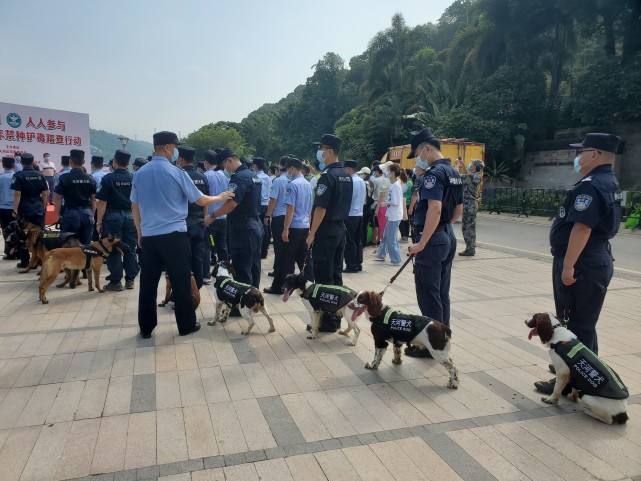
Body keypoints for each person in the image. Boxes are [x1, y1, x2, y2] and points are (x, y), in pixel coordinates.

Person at [535, 133, 623, 395]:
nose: (577, 157)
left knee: (575, 326)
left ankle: (574, 382)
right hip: (593, 258)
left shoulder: (592, 185)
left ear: (594, 154)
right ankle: (580, 371)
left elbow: (582, 228)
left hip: (582, 262)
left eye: (581, 152)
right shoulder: (608, 181)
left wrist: (568, 266)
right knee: (583, 323)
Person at [131, 131, 234, 338]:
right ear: (167, 147)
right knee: (180, 281)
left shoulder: (140, 173)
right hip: (174, 236)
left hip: (149, 236)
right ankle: (186, 325)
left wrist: (140, 232)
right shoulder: (176, 172)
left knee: (148, 284)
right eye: (175, 147)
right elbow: (200, 200)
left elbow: (135, 205)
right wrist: (220, 197)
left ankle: (146, 328)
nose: (176, 151)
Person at [406, 128, 463, 357]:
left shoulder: (433, 174)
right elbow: (458, 210)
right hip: (447, 234)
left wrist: (422, 243)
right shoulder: (453, 171)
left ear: (427, 148)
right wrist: (444, 228)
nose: (417, 159)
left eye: (417, 154)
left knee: (429, 295)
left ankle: (432, 345)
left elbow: (435, 209)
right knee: (441, 293)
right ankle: (442, 338)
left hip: (432, 239)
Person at [306, 134, 353, 332]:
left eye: (322, 148)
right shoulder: (346, 175)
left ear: (330, 151)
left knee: (324, 277)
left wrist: (311, 234)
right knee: (336, 275)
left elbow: (320, 209)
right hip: (340, 229)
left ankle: (326, 321)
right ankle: (336, 318)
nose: (320, 152)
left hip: (326, 231)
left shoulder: (327, 176)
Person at [205, 148, 262, 288]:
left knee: (241, 269)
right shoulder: (253, 175)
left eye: (224, 166)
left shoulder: (238, 178)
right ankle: (254, 295)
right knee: (254, 266)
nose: (225, 170)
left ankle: (243, 299)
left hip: (242, 229)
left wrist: (212, 216)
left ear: (229, 160)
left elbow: (231, 204)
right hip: (255, 225)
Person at [96, 150, 139, 291]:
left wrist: (99, 222)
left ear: (114, 162)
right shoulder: (134, 178)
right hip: (131, 216)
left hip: (113, 217)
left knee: (113, 248)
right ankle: (130, 279)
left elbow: (102, 203)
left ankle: (115, 282)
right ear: (128, 163)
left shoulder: (108, 179)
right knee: (130, 248)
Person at [275, 156, 313, 286]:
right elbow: (309, 208)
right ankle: (309, 284)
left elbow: (290, 208)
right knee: (304, 259)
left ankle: (281, 285)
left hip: (294, 226)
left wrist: (285, 229)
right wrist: (309, 226)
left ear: (292, 168)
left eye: (287, 170)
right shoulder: (308, 184)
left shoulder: (292, 185)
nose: (287, 172)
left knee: (286, 259)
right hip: (305, 226)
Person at [177, 145, 209, 289]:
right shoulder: (202, 177)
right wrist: (205, 219)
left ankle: (184, 288)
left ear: (180, 159)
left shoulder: (179, 176)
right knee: (197, 256)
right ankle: (197, 286)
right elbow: (205, 201)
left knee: (182, 258)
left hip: (182, 223)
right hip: (199, 222)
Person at [11, 153, 50, 268]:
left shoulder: (19, 175)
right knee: (40, 234)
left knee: (23, 234)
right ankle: (41, 260)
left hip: (24, 207)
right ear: (33, 162)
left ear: (21, 162)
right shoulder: (40, 175)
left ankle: (25, 261)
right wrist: (43, 206)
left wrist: (15, 209)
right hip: (38, 207)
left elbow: (17, 193)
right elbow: (45, 193)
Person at [53, 150, 96, 245]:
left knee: (69, 244)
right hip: (87, 213)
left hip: (70, 213)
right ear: (83, 162)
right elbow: (93, 199)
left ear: (70, 161)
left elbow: (58, 198)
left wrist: (58, 215)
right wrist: (92, 215)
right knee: (86, 245)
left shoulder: (64, 178)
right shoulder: (90, 179)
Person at [202, 149, 229, 285]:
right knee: (222, 245)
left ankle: (206, 275)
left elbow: (204, 199)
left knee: (207, 246)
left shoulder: (205, 176)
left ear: (206, 162)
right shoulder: (224, 176)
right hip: (223, 216)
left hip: (210, 217)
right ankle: (225, 273)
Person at [263, 160, 290, 292]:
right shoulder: (296, 180)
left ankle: (279, 279)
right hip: (292, 218)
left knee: (279, 249)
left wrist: (267, 215)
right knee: (288, 249)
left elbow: (273, 200)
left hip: (279, 217)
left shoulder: (278, 181)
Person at [374, 163, 406, 266]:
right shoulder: (394, 184)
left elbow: (396, 202)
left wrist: (386, 203)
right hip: (392, 214)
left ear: (392, 173)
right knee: (386, 235)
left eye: (388, 171)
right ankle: (381, 254)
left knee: (391, 239)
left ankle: (396, 260)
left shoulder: (396, 186)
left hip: (394, 215)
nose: (387, 173)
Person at [456, 158, 484, 256]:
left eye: (472, 164)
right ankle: (471, 247)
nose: (470, 165)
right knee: (470, 226)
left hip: (469, 205)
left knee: (467, 227)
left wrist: (456, 165)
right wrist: (462, 163)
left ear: (475, 166)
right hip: (471, 204)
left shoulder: (472, 177)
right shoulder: (476, 176)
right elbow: (467, 175)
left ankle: (470, 249)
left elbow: (457, 177)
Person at [343, 159, 366, 273]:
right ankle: (358, 263)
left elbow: (346, 199)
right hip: (359, 213)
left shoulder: (350, 181)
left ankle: (351, 265)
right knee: (357, 239)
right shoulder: (361, 181)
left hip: (350, 214)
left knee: (349, 240)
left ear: (349, 169)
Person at [250, 157, 272, 259]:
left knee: (257, 229)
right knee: (265, 229)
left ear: (255, 165)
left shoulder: (255, 177)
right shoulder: (268, 177)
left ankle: (257, 251)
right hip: (266, 204)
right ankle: (264, 252)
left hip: (258, 205)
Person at [1, 157, 17, 260]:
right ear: (14, 165)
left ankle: (10, 253)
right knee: (18, 230)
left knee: (6, 231)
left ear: (3, 165)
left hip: (3, 208)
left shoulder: (1, 178)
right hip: (16, 207)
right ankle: (19, 251)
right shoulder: (18, 177)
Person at [370, 165, 390, 248]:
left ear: (377, 171)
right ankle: (379, 241)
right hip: (385, 204)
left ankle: (374, 241)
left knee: (375, 224)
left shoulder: (376, 180)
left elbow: (372, 191)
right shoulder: (387, 180)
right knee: (382, 225)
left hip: (376, 203)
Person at [358, 167, 374, 247]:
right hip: (369, 206)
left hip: (364, 206)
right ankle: (364, 242)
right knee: (365, 226)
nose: (361, 175)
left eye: (362, 173)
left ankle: (362, 243)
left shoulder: (364, 183)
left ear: (366, 174)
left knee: (362, 226)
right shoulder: (371, 182)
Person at [399, 168, 414, 243]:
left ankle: (404, 236)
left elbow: (400, 191)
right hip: (408, 203)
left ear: (407, 175)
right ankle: (406, 236)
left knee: (402, 220)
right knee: (406, 220)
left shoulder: (408, 183)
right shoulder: (411, 182)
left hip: (405, 203)